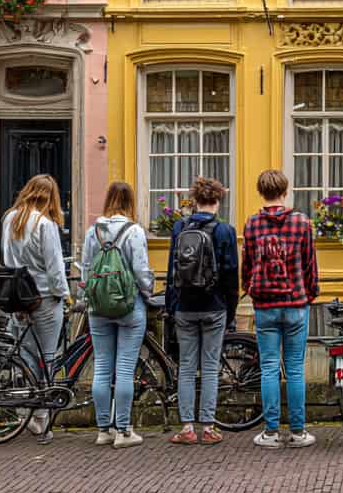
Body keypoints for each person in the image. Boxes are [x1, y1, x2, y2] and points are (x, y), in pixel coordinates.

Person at [242, 169, 319, 449]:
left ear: (261, 191)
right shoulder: (301, 223)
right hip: (296, 302)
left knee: (270, 368)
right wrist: (310, 293)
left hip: (265, 304)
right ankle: (298, 431)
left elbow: (247, 264)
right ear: (285, 191)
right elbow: (310, 264)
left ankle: (271, 431)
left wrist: (249, 289)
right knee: (296, 368)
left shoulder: (251, 225)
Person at [80, 181, 155, 449]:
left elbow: (86, 269)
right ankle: (123, 430)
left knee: (102, 366)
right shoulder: (134, 231)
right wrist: (148, 293)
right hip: (128, 305)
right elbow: (141, 270)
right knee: (124, 368)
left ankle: (103, 430)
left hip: (98, 306)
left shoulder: (94, 231)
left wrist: (85, 298)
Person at [168, 176, 240, 446]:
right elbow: (231, 274)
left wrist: (171, 306)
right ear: (218, 201)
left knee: (186, 367)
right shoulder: (225, 231)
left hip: (185, 306)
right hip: (214, 306)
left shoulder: (179, 227)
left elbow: (172, 268)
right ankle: (208, 427)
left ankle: (187, 427)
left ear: (194, 200)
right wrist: (230, 310)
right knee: (210, 367)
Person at [0, 173, 70, 444]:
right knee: (47, 357)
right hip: (43, 298)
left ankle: (24, 412)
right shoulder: (45, 223)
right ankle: (41, 416)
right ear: (50, 198)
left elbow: (7, 259)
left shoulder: (10, 218)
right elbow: (54, 267)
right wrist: (65, 294)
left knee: (26, 355)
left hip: (18, 297)